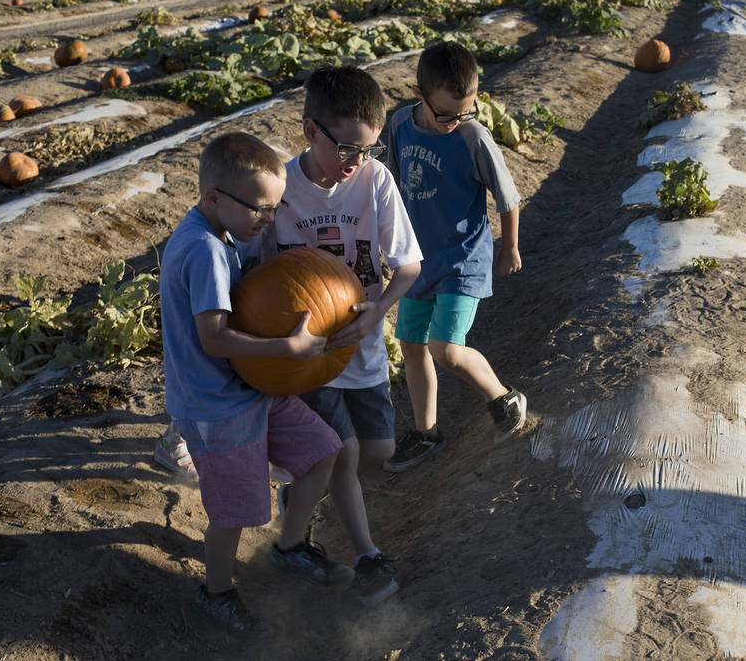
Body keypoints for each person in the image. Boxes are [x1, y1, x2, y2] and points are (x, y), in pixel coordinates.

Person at [160, 131, 354, 635]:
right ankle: (216, 592)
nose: (269, 219)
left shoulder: (225, 232)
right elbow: (215, 338)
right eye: (260, 210)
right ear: (213, 198)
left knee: (322, 451)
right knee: (235, 511)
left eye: (275, 208)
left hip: (253, 387)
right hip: (217, 402)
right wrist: (285, 350)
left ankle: (289, 548)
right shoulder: (202, 250)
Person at [246, 66, 422, 607]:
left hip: (362, 342)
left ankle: (301, 492)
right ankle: (366, 558)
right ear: (309, 132)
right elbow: (253, 276)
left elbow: (409, 265)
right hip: (311, 352)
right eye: (345, 148)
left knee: (378, 450)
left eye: (368, 150)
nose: (356, 161)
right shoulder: (280, 191)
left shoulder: (375, 181)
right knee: (343, 452)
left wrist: (378, 313)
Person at [383, 41, 527, 473]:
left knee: (444, 348)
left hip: (463, 259)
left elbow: (508, 198)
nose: (456, 121)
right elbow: (389, 186)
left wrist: (510, 246)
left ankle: (504, 398)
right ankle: (426, 433)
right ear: (419, 94)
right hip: (418, 260)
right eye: (447, 114)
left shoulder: (473, 137)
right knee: (412, 345)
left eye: (467, 110)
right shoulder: (400, 127)